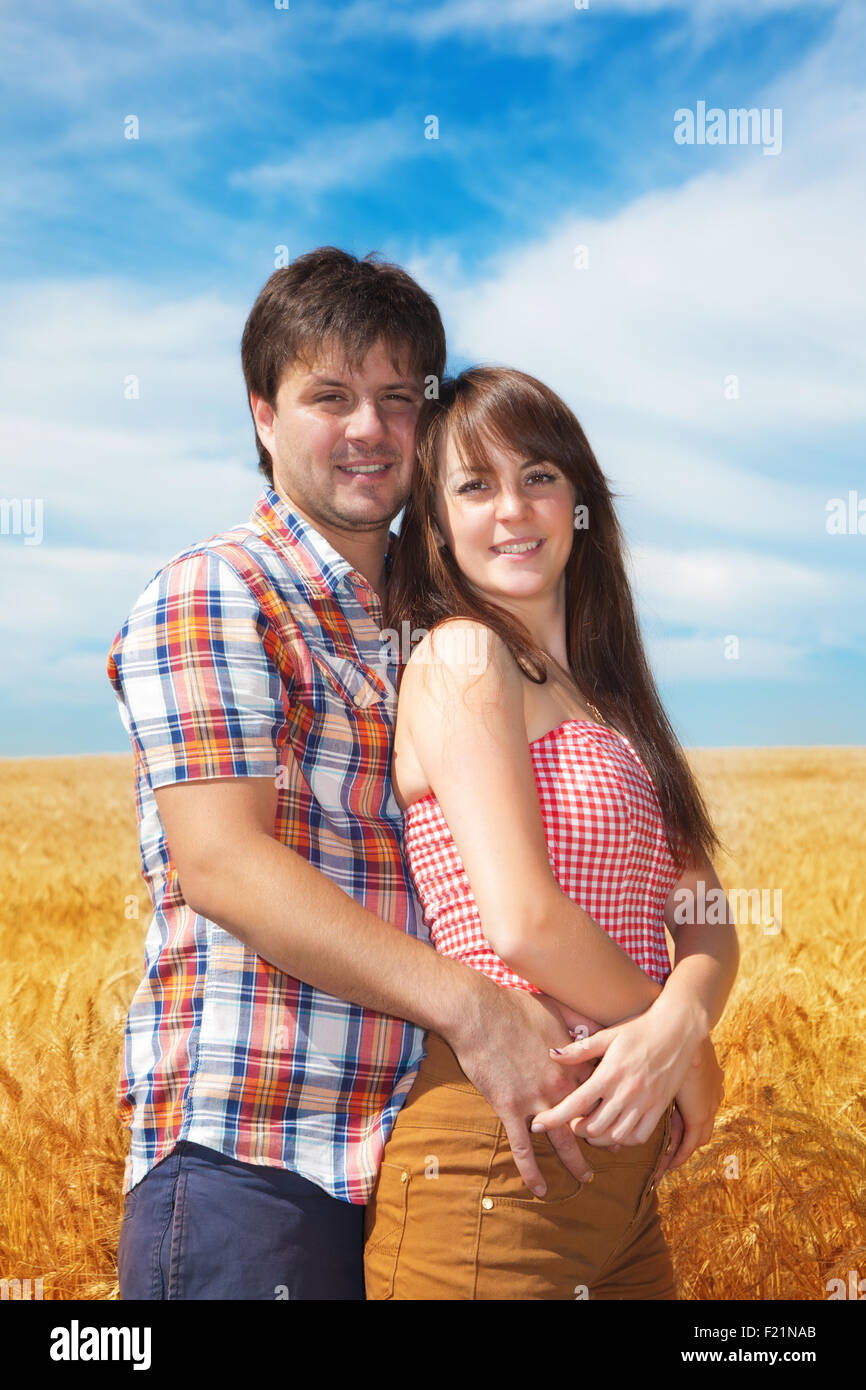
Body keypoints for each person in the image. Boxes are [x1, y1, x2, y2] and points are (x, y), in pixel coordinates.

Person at [106, 248, 604, 1301]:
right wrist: (472, 1008)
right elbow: (224, 863)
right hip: (254, 1159)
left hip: (423, 1150)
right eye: (328, 396)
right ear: (261, 416)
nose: (367, 428)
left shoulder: (437, 630)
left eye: (395, 398)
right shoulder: (219, 591)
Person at [363, 366, 737, 1300]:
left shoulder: (614, 706)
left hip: (623, 1174)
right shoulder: (459, 655)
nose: (513, 510)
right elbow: (523, 919)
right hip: (502, 1150)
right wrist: (674, 1038)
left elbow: (704, 913)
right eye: (473, 486)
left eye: (538, 476)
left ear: (580, 501)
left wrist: (683, 1024)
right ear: (436, 523)